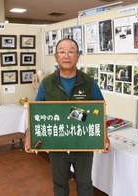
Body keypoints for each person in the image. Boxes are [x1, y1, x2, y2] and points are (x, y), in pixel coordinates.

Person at [24, 38, 111, 196]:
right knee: (59, 185)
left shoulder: (89, 83)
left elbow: (98, 112)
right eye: (62, 52)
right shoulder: (47, 84)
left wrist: (104, 136)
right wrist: (29, 135)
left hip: (83, 145)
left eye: (71, 51)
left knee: (85, 184)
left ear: (78, 56)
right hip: (57, 145)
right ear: (56, 57)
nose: (66, 55)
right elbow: (37, 113)